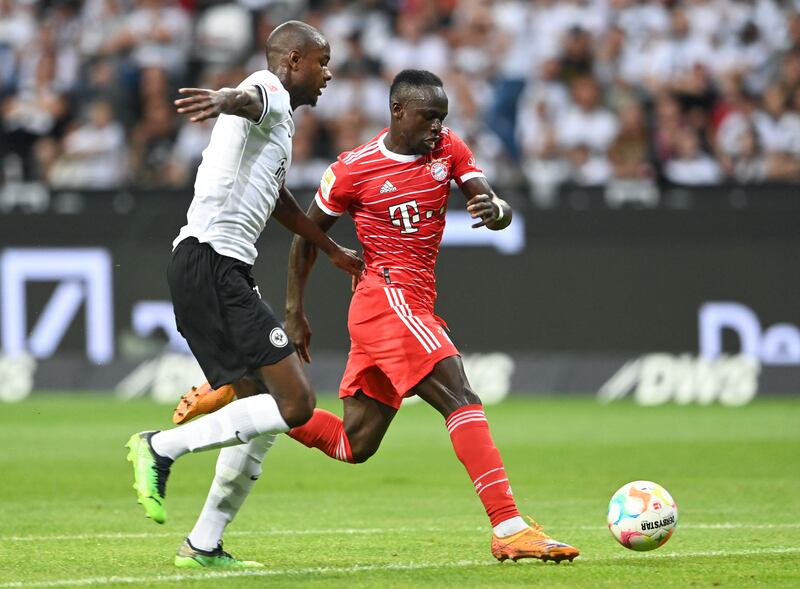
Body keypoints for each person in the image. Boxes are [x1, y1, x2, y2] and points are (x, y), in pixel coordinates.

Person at [174, 69, 580, 564]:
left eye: (442, 118)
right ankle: (509, 526)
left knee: (354, 442)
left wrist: (495, 209)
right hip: (387, 299)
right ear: (398, 112)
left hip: (410, 302)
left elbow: (488, 196)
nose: (437, 127)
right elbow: (306, 237)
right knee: (460, 394)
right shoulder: (354, 169)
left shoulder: (448, 148)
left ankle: (247, 394)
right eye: (429, 117)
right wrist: (293, 311)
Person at [124, 20, 363, 569]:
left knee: (262, 412)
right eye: (322, 62)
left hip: (212, 266)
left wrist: (328, 248)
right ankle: (160, 447)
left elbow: (278, 202)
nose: (327, 75)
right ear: (294, 60)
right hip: (214, 262)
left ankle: (204, 544)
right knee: (296, 404)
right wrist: (224, 97)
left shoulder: (277, 131)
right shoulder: (270, 90)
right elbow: (250, 97)